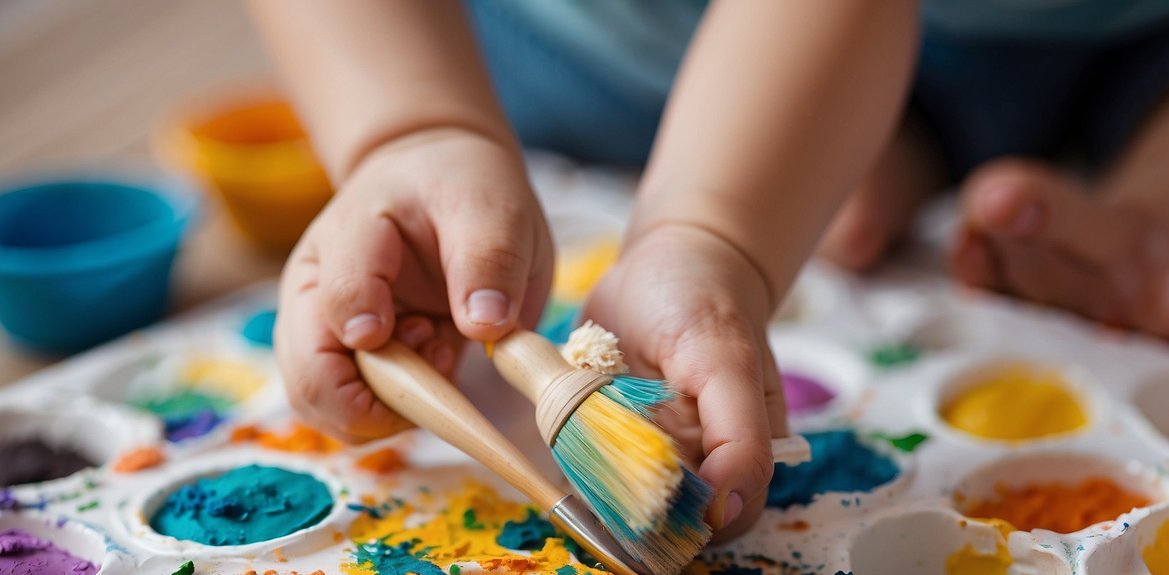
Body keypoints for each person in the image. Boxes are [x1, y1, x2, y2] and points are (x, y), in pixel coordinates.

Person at [248, 0, 917, 538]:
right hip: (541, 48)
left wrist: (713, 231)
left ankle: (877, 134)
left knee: (935, 95)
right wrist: (409, 132)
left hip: (902, 30)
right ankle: (867, 152)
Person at [815, 1, 1169, 346]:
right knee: (823, 196)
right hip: (896, 37)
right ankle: (890, 147)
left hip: (1167, 32)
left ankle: (1151, 235)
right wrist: (750, 242)